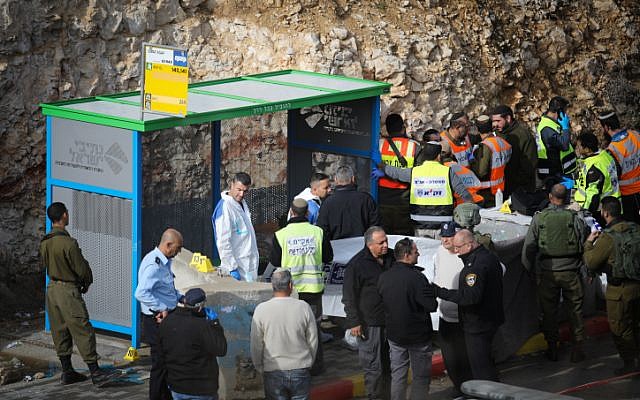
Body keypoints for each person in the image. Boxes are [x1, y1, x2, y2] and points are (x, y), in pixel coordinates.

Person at [40, 202, 118, 386]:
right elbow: (81, 269)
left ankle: (67, 371)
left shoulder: (45, 242)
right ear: (64, 216)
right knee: (82, 329)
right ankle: (95, 372)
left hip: (52, 290)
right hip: (68, 290)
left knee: (60, 330)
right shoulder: (68, 243)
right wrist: (86, 281)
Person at [521, 184, 588, 363]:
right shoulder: (574, 218)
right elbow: (583, 242)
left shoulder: (540, 218)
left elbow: (529, 248)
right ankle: (578, 348)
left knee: (549, 312)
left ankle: (552, 348)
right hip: (571, 271)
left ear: (550, 197)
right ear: (566, 199)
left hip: (548, 272)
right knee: (575, 310)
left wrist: (529, 270)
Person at [270, 198, 333, 375]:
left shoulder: (281, 235)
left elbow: (275, 261)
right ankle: (316, 366)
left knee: (292, 328)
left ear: (291, 212)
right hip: (313, 289)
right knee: (314, 328)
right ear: (307, 213)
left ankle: (295, 365)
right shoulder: (318, 232)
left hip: (290, 290)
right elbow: (328, 257)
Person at [433, 229, 504, 382]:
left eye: (458, 247)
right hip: (489, 319)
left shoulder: (475, 266)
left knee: (481, 369)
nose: (456, 251)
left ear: (470, 245)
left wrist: (441, 292)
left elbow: (470, 297)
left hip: (478, 323)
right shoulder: (489, 257)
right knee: (485, 364)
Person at [583, 196, 640, 374]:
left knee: (620, 328)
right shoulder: (636, 229)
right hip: (637, 285)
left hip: (619, 291)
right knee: (636, 324)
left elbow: (591, 261)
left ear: (605, 213)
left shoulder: (608, 238)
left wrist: (589, 242)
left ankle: (631, 364)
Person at [377, 238, 437, 400]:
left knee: (398, 375)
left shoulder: (384, 277)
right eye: (416, 251)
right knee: (421, 377)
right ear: (407, 255)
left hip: (395, 335)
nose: (419, 254)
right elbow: (431, 306)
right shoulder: (417, 278)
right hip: (418, 336)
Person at [342, 226, 395, 400]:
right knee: (374, 366)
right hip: (369, 323)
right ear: (369, 244)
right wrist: (354, 322)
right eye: (381, 243)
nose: (385, 245)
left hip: (392, 321)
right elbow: (349, 296)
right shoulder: (357, 264)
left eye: (386, 241)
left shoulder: (392, 257)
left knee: (391, 365)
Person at [379, 141, 472, 238]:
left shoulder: (415, 172)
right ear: (439, 156)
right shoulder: (448, 172)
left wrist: (381, 166)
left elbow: (396, 172)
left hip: (419, 224)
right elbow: (465, 195)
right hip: (443, 226)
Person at [251, 269, 318, 400]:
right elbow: (313, 339)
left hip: (273, 369)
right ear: (291, 286)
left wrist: (259, 366)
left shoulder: (261, 309)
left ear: (273, 286)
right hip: (300, 367)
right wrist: (309, 361)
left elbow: (256, 343)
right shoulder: (303, 307)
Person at [135, 228, 185, 400]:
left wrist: (181, 298)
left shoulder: (164, 261)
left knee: (167, 362)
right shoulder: (153, 265)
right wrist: (161, 307)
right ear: (168, 244)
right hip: (156, 320)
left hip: (166, 317)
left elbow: (165, 288)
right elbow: (141, 293)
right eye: (177, 248)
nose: (178, 252)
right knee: (160, 363)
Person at [158, 288, 227, 400]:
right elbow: (221, 349)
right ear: (200, 306)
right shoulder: (202, 326)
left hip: (176, 386)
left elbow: (161, 351)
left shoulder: (167, 321)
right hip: (201, 389)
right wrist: (215, 324)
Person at [432, 222, 472, 398]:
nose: (445, 240)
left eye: (449, 236)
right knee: (450, 358)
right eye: (443, 236)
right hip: (445, 316)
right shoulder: (440, 252)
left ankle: (470, 389)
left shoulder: (466, 254)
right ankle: (459, 388)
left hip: (464, 318)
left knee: (465, 358)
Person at [212, 172, 259, 281]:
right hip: (237, 266)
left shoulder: (241, 203)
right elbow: (223, 241)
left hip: (248, 264)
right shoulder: (225, 207)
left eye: (245, 191)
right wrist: (231, 267)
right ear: (231, 185)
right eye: (239, 190)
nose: (242, 194)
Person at [378, 113, 420, 236]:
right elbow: (418, 174)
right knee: (403, 236)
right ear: (403, 127)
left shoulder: (380, 144)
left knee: (385, 235)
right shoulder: (414, 146)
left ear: (387, 129)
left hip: (382, 198)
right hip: (404, 199)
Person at [317, 165, 382, 240]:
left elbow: (323, 230)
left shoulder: (327, 203)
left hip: (336, 247)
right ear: (353, 179)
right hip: (361, 246)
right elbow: (375, 227)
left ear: (336, 180)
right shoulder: (366, 199)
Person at [599, 110, 640, 224]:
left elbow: (613, 175)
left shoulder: (612, 149)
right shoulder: (635, 134)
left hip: (628, 195)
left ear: (606, 127)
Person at [491, 104, 538, 195]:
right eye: (493, 121)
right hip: (501, 188)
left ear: (508, 118)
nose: (495, 124)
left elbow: (530, 164)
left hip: (520, 189)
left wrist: (513, 181)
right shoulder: (496, 134)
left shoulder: (524, 136)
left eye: (498, 121)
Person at [574, 132, 620, 220]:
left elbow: (593, 195)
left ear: (587, 149)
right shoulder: (606, 155)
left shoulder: (594, 166)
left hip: (599, 210)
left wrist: (586, 214)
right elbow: (618, 171)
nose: (577, 148)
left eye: (579, 146)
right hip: (613, 205)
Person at [470, 114, 512, 207]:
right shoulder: (502, 142)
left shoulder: (484, 146)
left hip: (487, 192)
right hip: (502, 188)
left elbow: (481, 172)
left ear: (477, 129)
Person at [535, 96, 578, 183]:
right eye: (565, 111)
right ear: (559, 111)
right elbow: (564, 145)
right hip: (554, 174)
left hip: (560, 171)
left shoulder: (552, 123)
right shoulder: (547, 128)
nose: (566, 115)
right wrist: (566, 128)